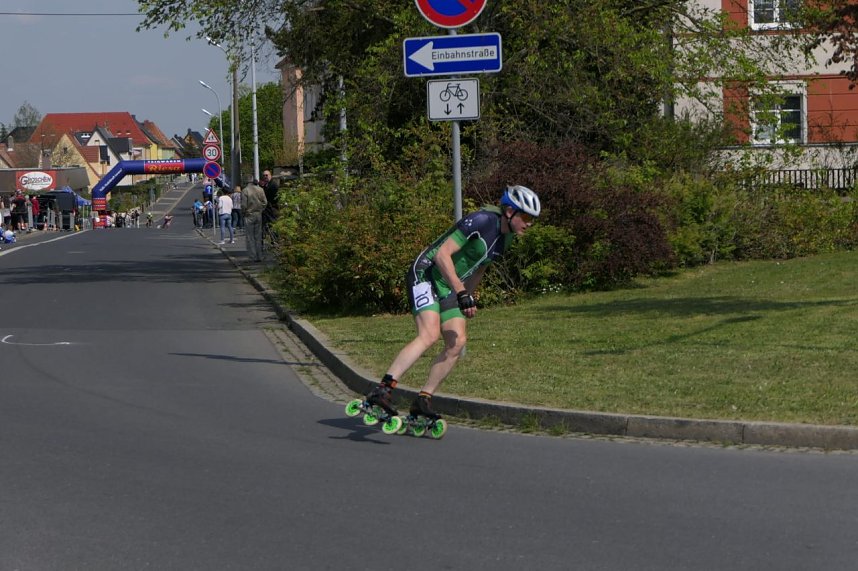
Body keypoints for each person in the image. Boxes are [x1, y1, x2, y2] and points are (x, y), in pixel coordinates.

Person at [365, 185, 541, 421]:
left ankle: (423, 399)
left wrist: (467, 297)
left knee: (457, 342)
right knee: (429, 335)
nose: (529, 224)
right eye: (527, 217)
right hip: (427, 272)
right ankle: (383, 390)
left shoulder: (505, 240)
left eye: (533, 219)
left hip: (450, 286)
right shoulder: (481, 220)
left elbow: (480, 269)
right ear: (510, 211)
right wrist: (460, 291)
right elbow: (441, 255)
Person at [242, 178, 268, 262]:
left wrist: (244, 212)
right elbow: (265, 202)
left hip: (249, 214)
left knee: (250, 237)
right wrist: (261, 209)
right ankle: (259, 256)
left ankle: (252, 256)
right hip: (258, 214)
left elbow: (243, 205)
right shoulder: (260, 190)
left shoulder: (245, 191)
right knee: (258, 236)